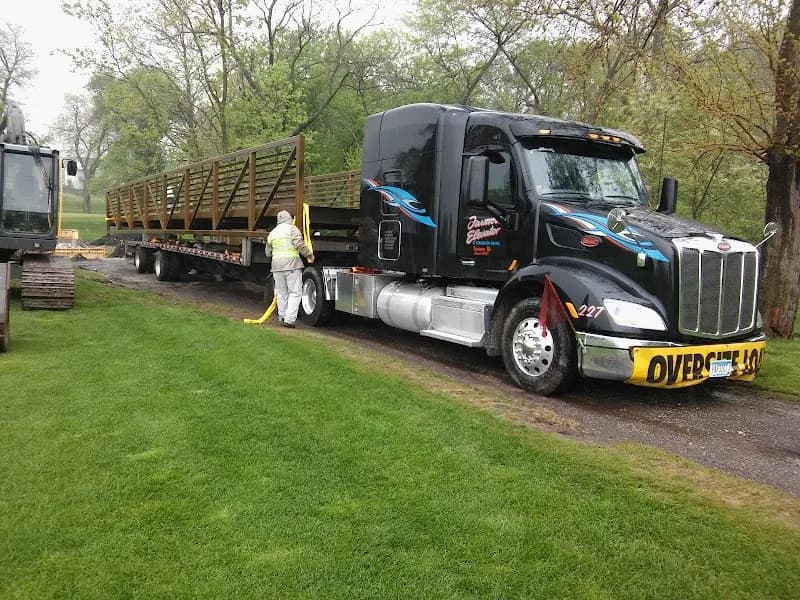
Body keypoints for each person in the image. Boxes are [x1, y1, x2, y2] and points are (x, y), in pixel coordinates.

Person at [265, 210, 314, 328]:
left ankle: (282, 316)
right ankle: (289, 319)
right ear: (289, 219)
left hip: (276, 267)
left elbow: (267, 253)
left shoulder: (272, 233)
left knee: (282, 293)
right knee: (295, 292)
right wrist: (309, 255)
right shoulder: (292, 229)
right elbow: (299, 244)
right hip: (291, 265)